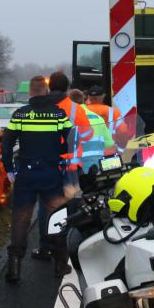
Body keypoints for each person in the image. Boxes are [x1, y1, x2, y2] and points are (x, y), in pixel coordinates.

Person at [2, 76, 73, 283]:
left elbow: (6, 145)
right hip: (52, 174)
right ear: (46, 91)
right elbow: (70, 140)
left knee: (20, 220)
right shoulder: (58, 114)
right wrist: (63, 158)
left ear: (30, 93)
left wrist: (9, 169)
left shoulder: (20, 114)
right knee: (56, 218)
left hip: (26, 175)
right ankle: (60, 265)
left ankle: (14, 269)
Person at [29, 71, 93, 262]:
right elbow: (88, 135)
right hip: (70, 165)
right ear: (67, 88)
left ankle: (46, 247)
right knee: (71, 204)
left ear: (50, 87)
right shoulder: (76, 109)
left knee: (46, 207)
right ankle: (68, 244)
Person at [69, 88, 116, 174]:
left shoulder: (69, 120)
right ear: (83, 100)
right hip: (97, 168)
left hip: (78, 170)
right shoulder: (98, 118)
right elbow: (109, 144)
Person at [85, 84, 131, 150]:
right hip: (107, 150)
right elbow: (123, 131)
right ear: (103, 96)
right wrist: (121, 148)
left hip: (86, 150)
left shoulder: (81, 110)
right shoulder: (113, 112)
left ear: (89, 97)